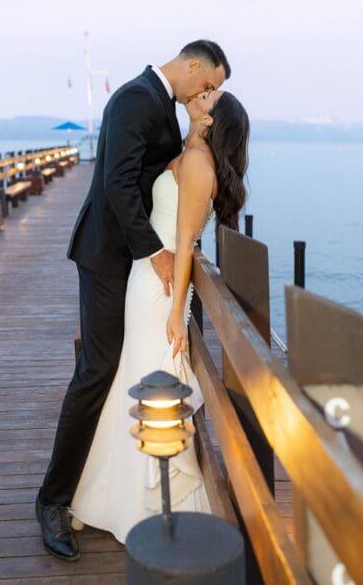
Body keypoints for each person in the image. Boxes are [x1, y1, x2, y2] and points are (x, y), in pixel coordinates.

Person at [36, 41, 232, 560]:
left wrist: (193, 130)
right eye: (209, 83)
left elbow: (158, 176)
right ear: (193, 66)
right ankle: (52, 501)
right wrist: (159, 254)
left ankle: (99, 487)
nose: (208, 93)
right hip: (107, 255)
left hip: (131, 261)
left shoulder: (161, 105)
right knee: (97, 370)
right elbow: (117, 185)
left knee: (115, 368)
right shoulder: (135, 98)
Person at [69, 89, 250, 543]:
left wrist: (175, 312)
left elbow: (186, 243)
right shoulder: (191, 154)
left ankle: (140, 503)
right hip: (147, 276)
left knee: (148, 377)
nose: (202, 96)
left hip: (158, 287)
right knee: (134, 375)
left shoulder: (196, 165)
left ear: (213, 121)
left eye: (211, 98)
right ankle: (112, 496)